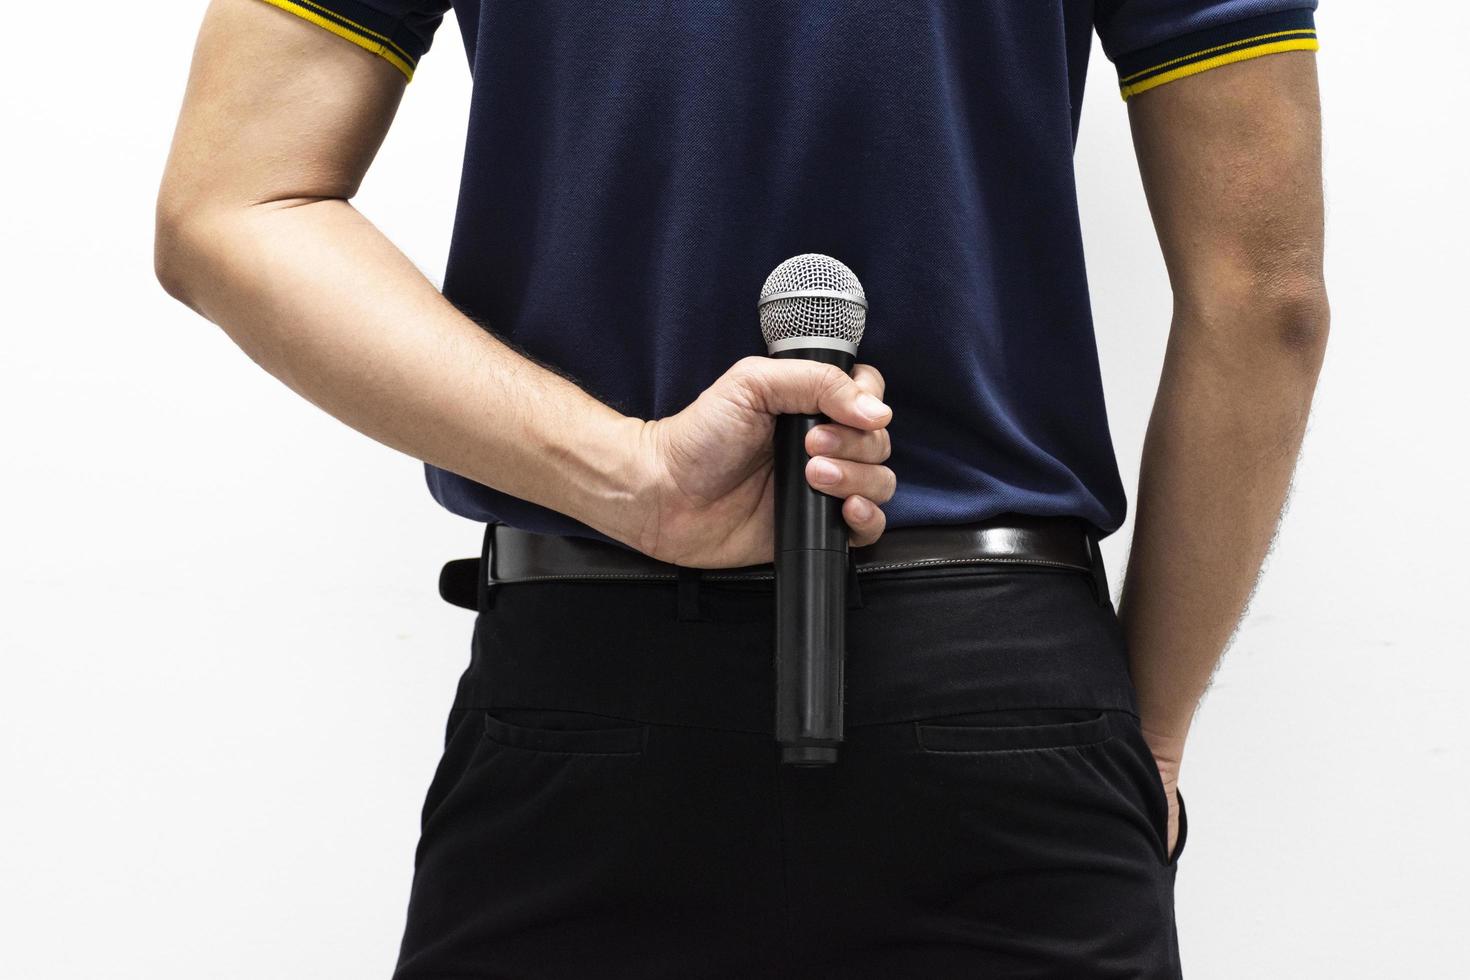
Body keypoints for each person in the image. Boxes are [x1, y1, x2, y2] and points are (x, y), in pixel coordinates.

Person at [155, 0, 1327, 975]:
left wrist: (637, 478)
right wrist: (1150, 746)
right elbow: (1266, 303)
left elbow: (236, 207)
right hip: (996, 687)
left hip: (588, 678)